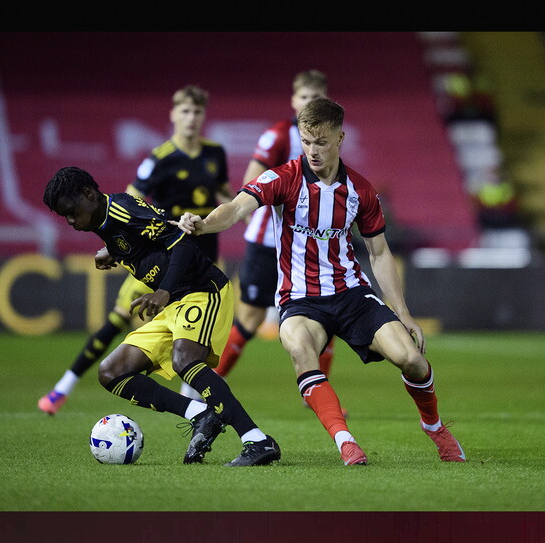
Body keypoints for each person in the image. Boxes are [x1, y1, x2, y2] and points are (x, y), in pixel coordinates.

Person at [176, 98, 465, 465]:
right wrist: (202, 223)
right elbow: (235, 208)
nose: (313, 150)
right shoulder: (284, 177)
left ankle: (435, 427)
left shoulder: (361, 191)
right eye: (307, 141)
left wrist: (403, 313)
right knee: (300, 349)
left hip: (352, 294)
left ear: (340, 138)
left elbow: (378, 254)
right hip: (299, 300)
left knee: (411, 359)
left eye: (322, 142)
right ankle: (346, 441)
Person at [43, 166, 280, 466]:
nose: (71, 221)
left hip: (201, 290)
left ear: (88, 194)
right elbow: (148, 235)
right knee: (111, 372)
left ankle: (257, 440)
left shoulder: (122, 209)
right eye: (65, 216)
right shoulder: (106, 221)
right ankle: (201, 415)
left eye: (72, 211)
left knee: (186, 360)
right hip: (174, 304)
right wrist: (113, 251)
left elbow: (180, 242)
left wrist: (163, 291)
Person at [38, 85, 231, 413]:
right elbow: (124, 206)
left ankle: (193, 405)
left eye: (197, 112)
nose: (192, 118)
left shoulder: (215, 154)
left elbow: (225, 197)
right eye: (185, 111)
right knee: (117, 320)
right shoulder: (158, 158)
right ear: (173, 115)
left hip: (197, 254)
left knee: (192, 334)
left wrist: (234, 215)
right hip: (154, 255)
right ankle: (63, 388)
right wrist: (119, 246)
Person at [216, 70, 340, 414]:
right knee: (251, 318)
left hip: (310, 245)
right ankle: (209, 383)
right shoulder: (278, 135)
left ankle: (313, 396)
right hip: (268, 244)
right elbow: (249, 182)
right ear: (293, 100)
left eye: (316, 97)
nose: (309, 103)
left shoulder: (329, 139)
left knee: (327, 316)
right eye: (303, 97)